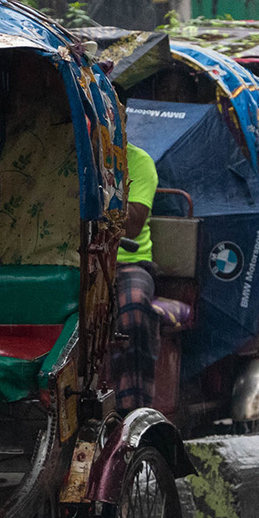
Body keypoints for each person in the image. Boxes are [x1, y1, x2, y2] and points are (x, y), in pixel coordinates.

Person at [114, 141, 159, 411]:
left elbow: (131, 225)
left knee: (132, 304)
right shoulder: (64, 160)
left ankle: (134, 408)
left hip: (128, 262)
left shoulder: (139, 162)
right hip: (74, 261)